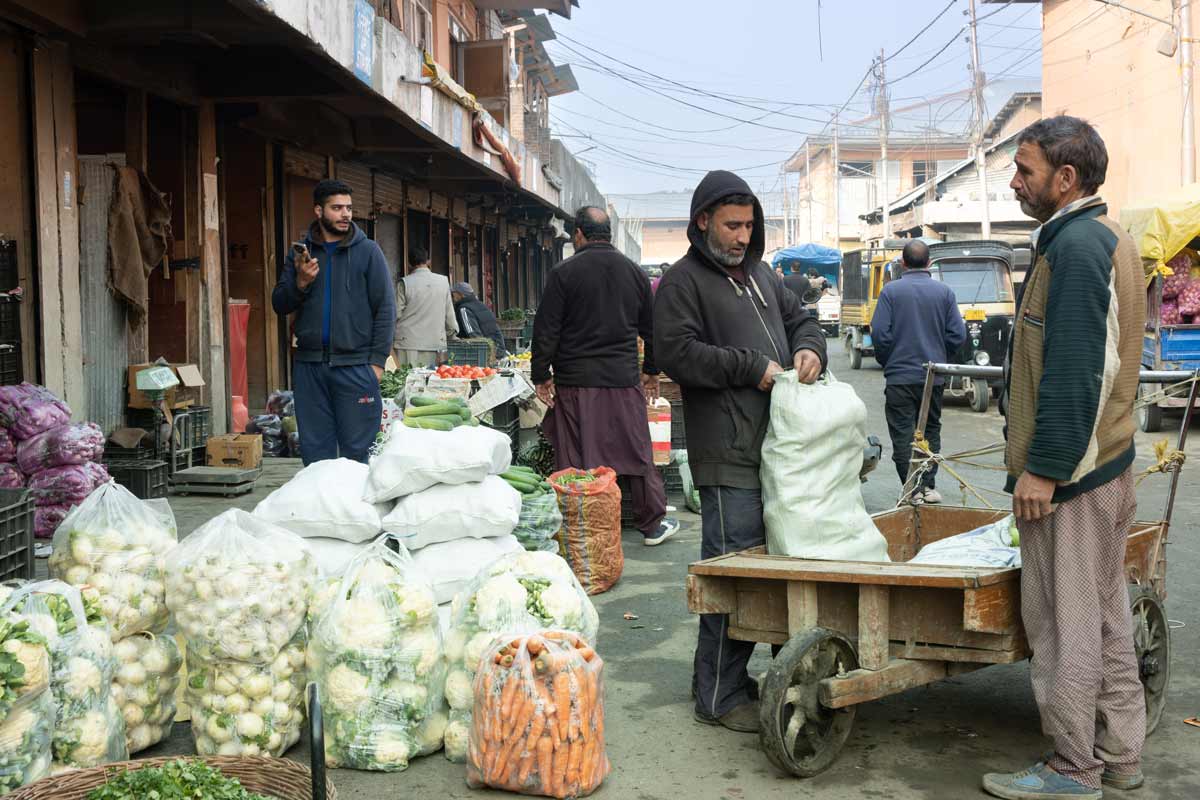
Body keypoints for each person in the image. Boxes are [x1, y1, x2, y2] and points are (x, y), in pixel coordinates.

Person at [982, 117, 1146, 800]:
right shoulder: (1095, 238)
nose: (1016, 183)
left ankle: (1074, 770)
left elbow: (1079, 371)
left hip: (1073, 479)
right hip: (1105, 466)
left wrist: (1044, 469)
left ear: (1066, 178)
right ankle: (1121, 757)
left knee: (1065, 624)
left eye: (1025, 170)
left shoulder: (1078, 247)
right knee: (1106, 618)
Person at [654, 171, 826, 732]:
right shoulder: (682, 282)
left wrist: (808, 350)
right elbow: (676, 354)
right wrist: (751, 368)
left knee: (774, 576)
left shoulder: (762, 274)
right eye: (732, 225)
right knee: (731, 576)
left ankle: (745, 681)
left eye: (749, 225)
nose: (741, 235)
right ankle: (719, 696)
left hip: (779, 451)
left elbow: (804, 318)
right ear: (702, 220)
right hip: (726, 452)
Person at [533, 206, 679, 546]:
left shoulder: (563, 273)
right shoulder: (634, 273)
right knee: (637, 451)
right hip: (622, 380)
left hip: (575, 382)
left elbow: (546, 330)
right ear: (608, 233)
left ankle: (580, 527)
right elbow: (653, 328)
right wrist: (651, 370)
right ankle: (652, 524)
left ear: (579, 235)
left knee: (575, 458)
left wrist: (542, 373)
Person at [271, 179, 395, 465]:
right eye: (337, 208)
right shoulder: (301, 254)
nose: (345, 214)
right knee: (315, 453)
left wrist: (376, 364)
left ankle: (356, 509)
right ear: (319, 210)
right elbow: (280, 303)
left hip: (355, 367)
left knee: (357, 451)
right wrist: (301, 282)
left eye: (349, 208)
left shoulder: (368, 252)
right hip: (309, 367)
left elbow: (386, 310)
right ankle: (322, 510)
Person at [870, 239, 965, 504]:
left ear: (902, 263)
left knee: (903, 434)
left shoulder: (891, 292)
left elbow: (879, 333)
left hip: (900, 378)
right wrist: (940, 356)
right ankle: (927, 488)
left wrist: (890, 360)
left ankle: (911, 489)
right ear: (930, 263)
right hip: (932, 378)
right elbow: (957, 334)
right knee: (930, 430)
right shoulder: (944, 293)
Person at [393, 246, 458, 367]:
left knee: (407, 381)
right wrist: (452, 334)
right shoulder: (443, 282)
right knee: (432, 382)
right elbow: (449, 314)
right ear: (428, 261)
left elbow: (395, 313)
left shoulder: (404, 283)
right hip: (435, 343)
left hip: (407, 343)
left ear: (409, 263)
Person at [451, 281, 508, 359]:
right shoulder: (481, 305)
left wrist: (486, 355)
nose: (453, 298)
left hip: (485, 353)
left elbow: (473, 334)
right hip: (497, 348)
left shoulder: (464, 309)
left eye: (454, 294)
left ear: (461, 294)